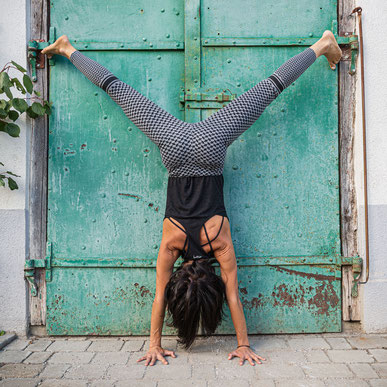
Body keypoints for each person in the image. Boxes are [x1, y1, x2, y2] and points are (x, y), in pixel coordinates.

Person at [42, 30, 342, 366]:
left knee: (267, 89)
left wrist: (244, 345)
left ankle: (320, 45)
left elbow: (232, 296)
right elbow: (159, 297)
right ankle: (68, 49)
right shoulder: (172, 243)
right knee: (118, 89)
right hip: (174, 146)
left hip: (209, 147)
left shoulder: (220, 243)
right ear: (181, 279)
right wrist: (153, 343)